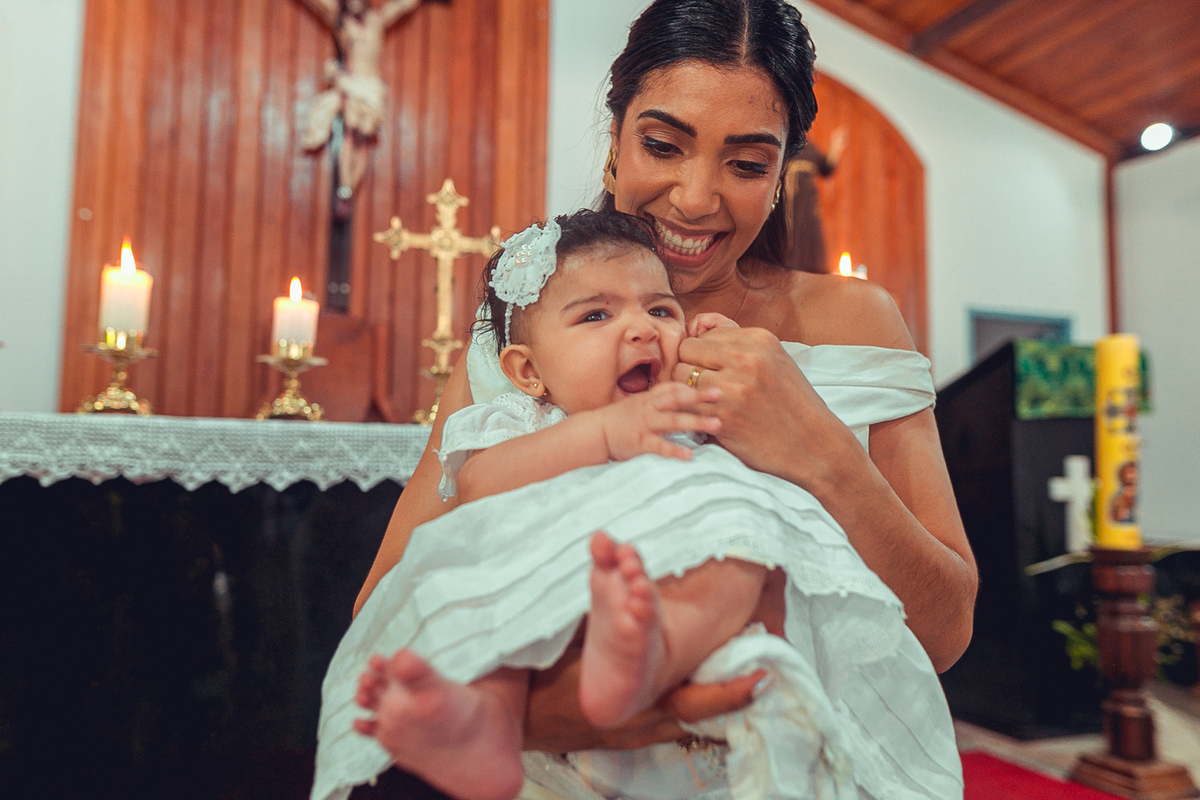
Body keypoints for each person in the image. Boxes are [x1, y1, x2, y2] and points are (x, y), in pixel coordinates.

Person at [351, 0, 976, 789]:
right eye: (661, 145)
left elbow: (947, 631)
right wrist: (558, 709)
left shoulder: (857, 324)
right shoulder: (530, 331)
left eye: (746, 164)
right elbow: (382, 609)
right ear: (614, 144)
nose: (693, 197)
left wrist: (815, 448)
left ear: (781, 177)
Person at [313, 211, 958, 800]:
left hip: (653, 600)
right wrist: (600, 434)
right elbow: (477, 489)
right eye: (596, 317)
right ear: (528, 371)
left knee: (737, 550)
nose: (640, 329)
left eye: (661, 310)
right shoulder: (528, 422)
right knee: (475, 591)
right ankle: (487, 721)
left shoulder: (680, 407)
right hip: (549, 597)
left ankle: (646, 654)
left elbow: (754, 434)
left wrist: (719, 352)